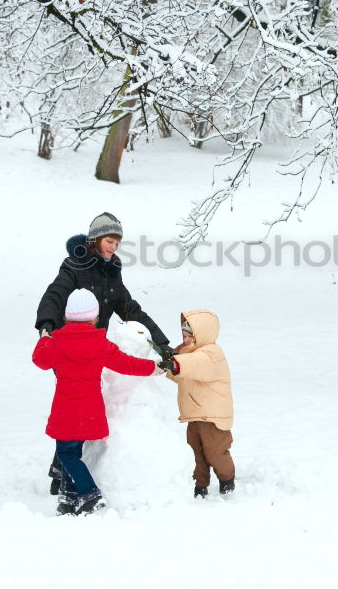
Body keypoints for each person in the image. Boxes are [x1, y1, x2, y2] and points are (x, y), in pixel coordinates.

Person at [35, 212, 172, 493]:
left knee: (77, 408)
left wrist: (161, 342)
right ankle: (66, 472)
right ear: (96, 240)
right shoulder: (76, 266)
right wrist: (47, 328)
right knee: (76, 406)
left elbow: (129, 308)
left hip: (93, 346)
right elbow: (53, 295)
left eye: (117, 243)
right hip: (67, 346)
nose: (113, 247)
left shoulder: (112, 270)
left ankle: (62, 467)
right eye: (110, 241)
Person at [31, 288, 161, 515]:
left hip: (66, 411)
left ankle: (90, 493)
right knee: (75, 453)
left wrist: (44, 339)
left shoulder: (57, 343)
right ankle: (68, 499)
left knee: (66, 455)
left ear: (66, 316)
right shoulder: (100, 345)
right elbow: (126, 364)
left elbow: (39, 360)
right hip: (89, 411)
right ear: (95, 317)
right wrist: (153, 368)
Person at [159, 309, 235, 498]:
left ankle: (227, 479)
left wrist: (177, 363)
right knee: (195, 452)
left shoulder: (212, 354)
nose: (185, 340)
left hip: (213, 416)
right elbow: (180, 375)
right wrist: (169, 364)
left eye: (189, 336)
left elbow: (195, 364)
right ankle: (199, 484)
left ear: (202, 334)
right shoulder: (188, 354)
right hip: (194, 414)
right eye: (183, 336)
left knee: (215, 451)